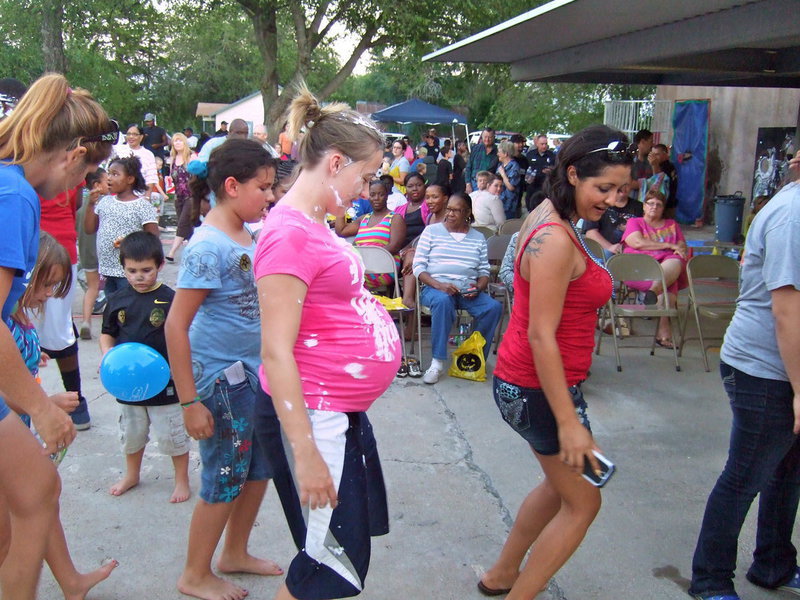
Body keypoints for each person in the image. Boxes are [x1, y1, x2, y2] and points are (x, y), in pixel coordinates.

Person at [253, 85, 400, 600]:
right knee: (328, 566)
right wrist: (306, 451)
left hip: (333, 413)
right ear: (335, 163)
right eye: (364, 175)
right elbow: (275, 349)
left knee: (332, 558)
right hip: (313, 417)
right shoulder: (288, 235)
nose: (366, 188)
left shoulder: (317, 222)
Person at [480, 125, 630, 599]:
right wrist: (569, 421)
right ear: (572, 174)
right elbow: (541, 335)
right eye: (602, 188)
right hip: (539, 387)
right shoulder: (556, 238)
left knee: (556, 487)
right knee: (583, 503)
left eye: (622, 189)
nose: (614, 200)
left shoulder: (550, 213)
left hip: (534, 384)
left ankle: (501, 576)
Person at [0, 72, 114, 599]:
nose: (77, 188)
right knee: (35, 493)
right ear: (72, 155)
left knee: (27, 501)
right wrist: (40, 409)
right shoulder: (15, 196)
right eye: (86, 172)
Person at [165, 138, 281, 600]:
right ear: (232, 186)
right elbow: (176, 326)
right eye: (264, 187)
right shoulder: (207, 247)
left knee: (259, 469)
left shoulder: (243, 231)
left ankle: (234, 551)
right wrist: (189, 401)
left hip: (253, 374)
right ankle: (194, 573)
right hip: (220, 382)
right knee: (226, 476)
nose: (271, 196)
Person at [688, 159, 800, 600]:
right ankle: (710, 579)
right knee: (746, 474)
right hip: (765, 370)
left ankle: (773, 564)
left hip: (786, 368)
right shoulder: (793, 215)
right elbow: (787, 309)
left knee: (787, 472)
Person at [7, 230, 119, 599]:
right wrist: (46, 404)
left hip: (22, 430)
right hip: (11, 431)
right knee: (13, 532)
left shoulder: (17, 314)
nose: (45, 296)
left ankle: (70, 581)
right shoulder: (5, 319)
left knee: (40, 503)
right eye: (44, 285)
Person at [100, 231, 190, 502]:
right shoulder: (117, 300)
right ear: (123, 268)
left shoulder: (172, 299)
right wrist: (108, 357)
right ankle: (132, 474)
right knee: (131, 432)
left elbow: (184, 335)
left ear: (160, 265)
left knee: (172, 434)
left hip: (167, 383)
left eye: (146, 270)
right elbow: (108, 333)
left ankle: (181, 480)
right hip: (128, 385)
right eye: (132, 270)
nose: (139, 276)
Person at [413, 192, 503, 384]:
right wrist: (440, 285)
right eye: (449, 209)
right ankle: (437, 363)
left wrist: (478, 288)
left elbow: (484, 271)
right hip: (435, 288)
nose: (450, 214)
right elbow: (418, 267)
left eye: (456, 210)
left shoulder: (478, 237)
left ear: (467, 213)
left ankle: (473, 356)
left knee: (493, 308)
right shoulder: (431, 231)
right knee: (443, 301)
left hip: (466, 291)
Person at [33, 183, 92, 429]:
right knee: (21, 328)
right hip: (24, 247)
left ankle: (75, 400)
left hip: (56, 251)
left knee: (59, 331)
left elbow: (76, 201)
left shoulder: (58, 162)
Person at [84, 155, 160, 297]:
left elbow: (153, 237)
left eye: (115, 174)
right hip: (107, 269)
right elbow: (89, 229)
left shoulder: (141, 205)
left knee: (128, 306)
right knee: (113, 305)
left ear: (130, 179)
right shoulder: (104, 202)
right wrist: (90, 204)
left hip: (129, 271)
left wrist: (129, 241)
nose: (109, 178)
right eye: (109, 174)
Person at [621, 189, 687, 348]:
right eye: (650, 203)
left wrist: (679, 248)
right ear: (644, 206)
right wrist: (668, 245)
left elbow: (681, 246)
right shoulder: (635, 222)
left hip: (665, 271)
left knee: (675, 260)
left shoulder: (672, 225)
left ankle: (653, 291)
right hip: (639, 270)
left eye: (658, 204)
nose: (654, 207)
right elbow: (637, 243)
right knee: (670, 283)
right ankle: (664, 333)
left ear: (663, 208)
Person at [335, 179, 406, 291]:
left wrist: (366, 260)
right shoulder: (364, 219)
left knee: (342, 279)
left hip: (382, 269)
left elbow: (394, 246)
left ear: (387, 196)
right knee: (333, 275)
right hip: (362, 268)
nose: (376, 198)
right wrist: (342, 204)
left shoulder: (395, 218)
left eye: (381, 194)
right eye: (372, 195)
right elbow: (341, 231)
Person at [77, 168, 108, 339]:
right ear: (96, 185)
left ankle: (86, 321)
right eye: (106, 180)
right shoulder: (104, 203)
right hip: (104, 251)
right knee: (111, 288)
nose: (109, 183)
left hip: (85, 251)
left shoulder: (79, 203)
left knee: (92, 288)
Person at [584, 188, 644, 259]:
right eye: (621, 184)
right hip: (602, 250)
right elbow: (591, 233)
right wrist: (610, 247)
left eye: (626, 184)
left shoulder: (640, 207)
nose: (623, 187)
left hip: (629, 253)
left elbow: (647, 231)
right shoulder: (599, 203)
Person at [165, 132, 197, 263]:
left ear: (185, 142)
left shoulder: (191, 157)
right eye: (175, 141)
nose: (177, 143)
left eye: (180, 140)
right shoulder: (172, 159)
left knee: (182, 223)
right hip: (179, 196)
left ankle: (171, 252)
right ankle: (196, 250)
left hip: (191, 196)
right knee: (187, 228)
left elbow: (197, 175)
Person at [114, 124, 161, 203]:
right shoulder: (118, 150)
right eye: (129, 134)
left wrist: (147, 198)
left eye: (135, 134)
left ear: (141, 137)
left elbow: (151, 178)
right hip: (118, 196)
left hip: (139, 197)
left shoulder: (148, 154)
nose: (131, 137)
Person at [524, 134, 556, 212]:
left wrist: (551, 171)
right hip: (532, 187)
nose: (544, 146)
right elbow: (526, 170)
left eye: (546, 144)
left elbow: (556, 170)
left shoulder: (552, 155)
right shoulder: (530, 155)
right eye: (542, 144)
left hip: (545, 188)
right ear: (537, 144)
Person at [465, 128, 498, 193]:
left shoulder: (498, 152)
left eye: (490, 137)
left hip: (489, 185)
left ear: (494, 137)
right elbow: (468, 167)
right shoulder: (475, 149)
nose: (487, 139)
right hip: (474, 183)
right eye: (485, 137)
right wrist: (468, 184)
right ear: (482, 137)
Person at [497, 140, 522, 219]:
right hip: (499, 201)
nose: (497, 154)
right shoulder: (501, 165)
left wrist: (503, 174)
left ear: (505, 154)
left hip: (509, 204)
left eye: (499, 152)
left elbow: (511, 187)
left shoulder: (514, 167)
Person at [628, 128, 653, 201]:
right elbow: (629, 183)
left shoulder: (652, 161)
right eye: (651, 141)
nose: (652, 145)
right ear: (642, 142)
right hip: (633, 201)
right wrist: (650, 183)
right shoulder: (630, 161)